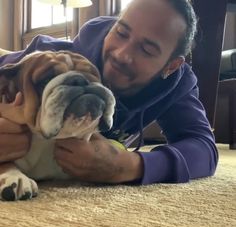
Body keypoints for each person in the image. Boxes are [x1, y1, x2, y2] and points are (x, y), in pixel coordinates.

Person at [0, 0, 218, 184]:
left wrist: (129, 166)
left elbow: (204, 149)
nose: (122, 54)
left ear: (171, 66)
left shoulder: (177, 84)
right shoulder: (48, 58)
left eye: (147, 49)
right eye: (121, 33)